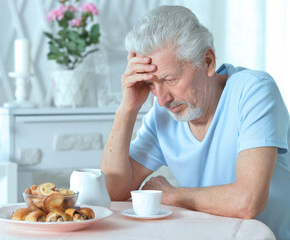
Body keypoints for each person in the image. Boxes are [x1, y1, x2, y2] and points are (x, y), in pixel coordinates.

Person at [101, 5, 290, 240]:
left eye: (170, 79)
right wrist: (127, 107)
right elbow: (111, 191)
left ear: (208, 61)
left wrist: (171, 195)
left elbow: (247, 201)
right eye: (150, 84)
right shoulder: (162, 115)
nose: (161, 99)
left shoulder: (254, 91)